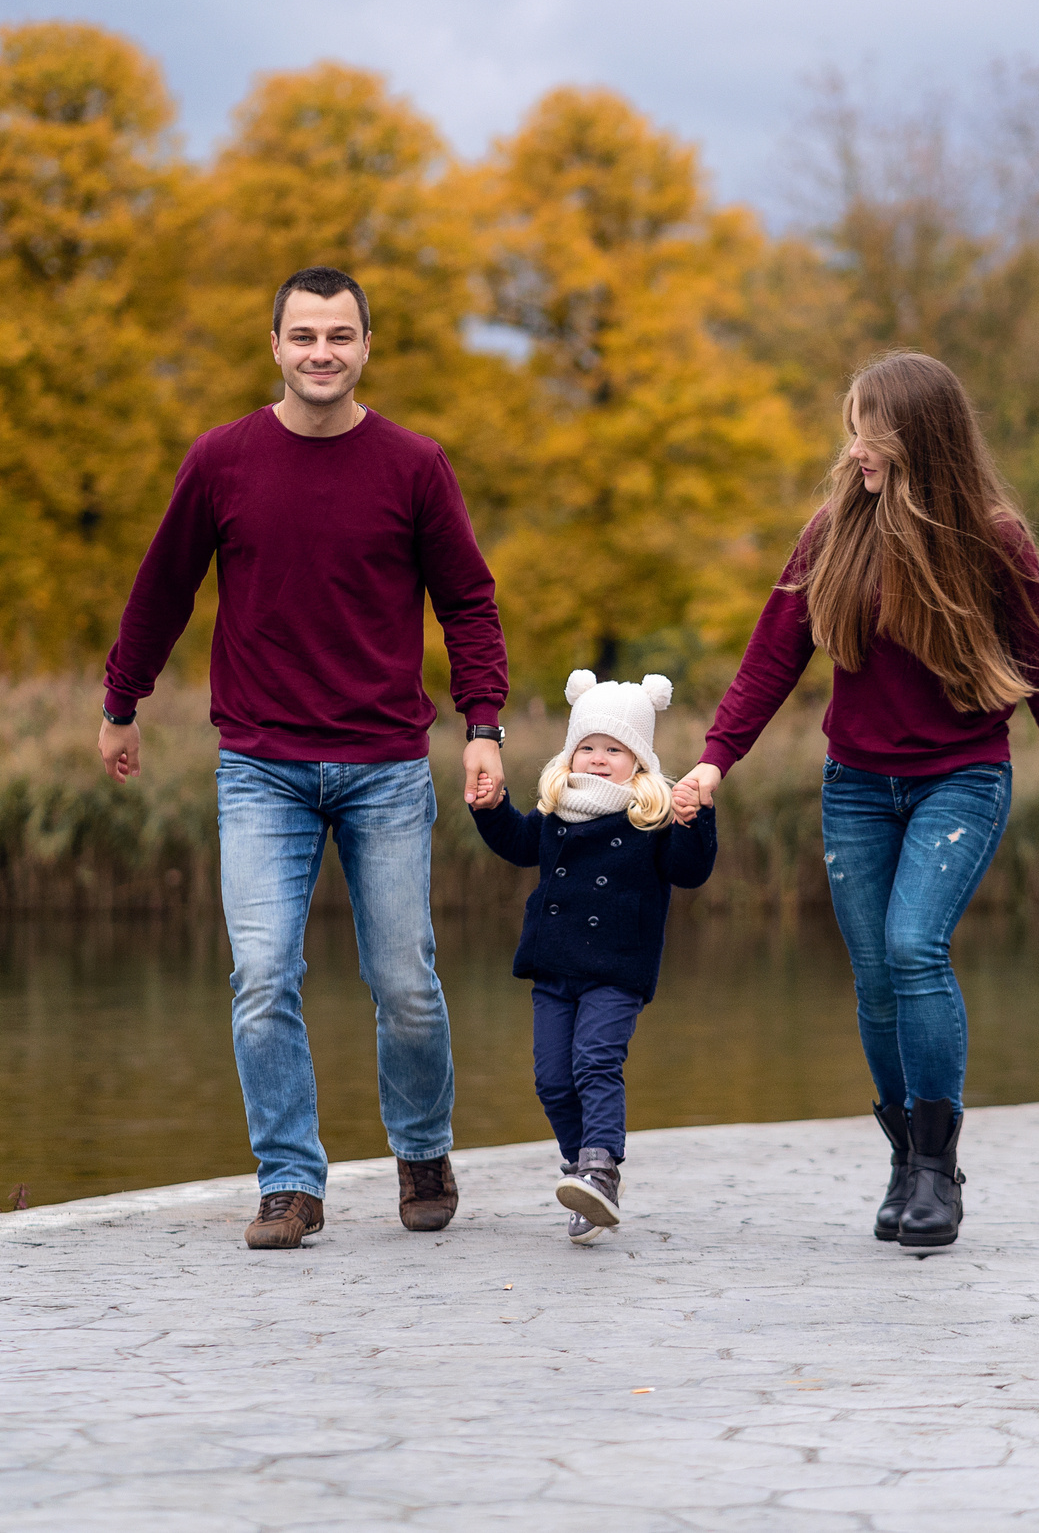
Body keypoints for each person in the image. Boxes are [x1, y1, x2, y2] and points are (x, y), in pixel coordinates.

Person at [673, 350, 1039, 1251]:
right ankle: (900, 1159)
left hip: (960, 777)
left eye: (868, 430)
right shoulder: (831, 534)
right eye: (850, 429)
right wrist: (713, 763)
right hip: (855, 785)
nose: (853, 451)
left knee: (914, 947)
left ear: (919, 435)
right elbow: (771, 659)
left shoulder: (994, 541)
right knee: (876, 979)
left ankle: (935, 1169)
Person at [97, 266, 510, 1251]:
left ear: (366, 346)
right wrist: (122, 701)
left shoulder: (413, 465)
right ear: (275, 346)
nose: (321, 352)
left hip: (385, 765)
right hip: (260, 767)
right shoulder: (221, 461)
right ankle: (289, 1182)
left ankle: (421, 1150)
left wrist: (482, 722)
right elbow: (162, 590)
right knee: (262, 972)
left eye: (339, 335)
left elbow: (469, 602)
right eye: (303, 336)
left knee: (404, 978)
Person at [470, 672, 717, 1244]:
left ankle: (601, 1167)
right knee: (552, 1079)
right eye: (589, 746)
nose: (599, 759)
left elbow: (690, 870)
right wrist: (492, 808)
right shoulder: (559, 811)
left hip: (616, 970)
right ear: (571, 750)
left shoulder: (649, 817)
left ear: (639, 761)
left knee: (595, 1063)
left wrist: (693, 819)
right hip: (554, 966)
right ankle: (583, 1169)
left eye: (615, 749)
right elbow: (517, 843)